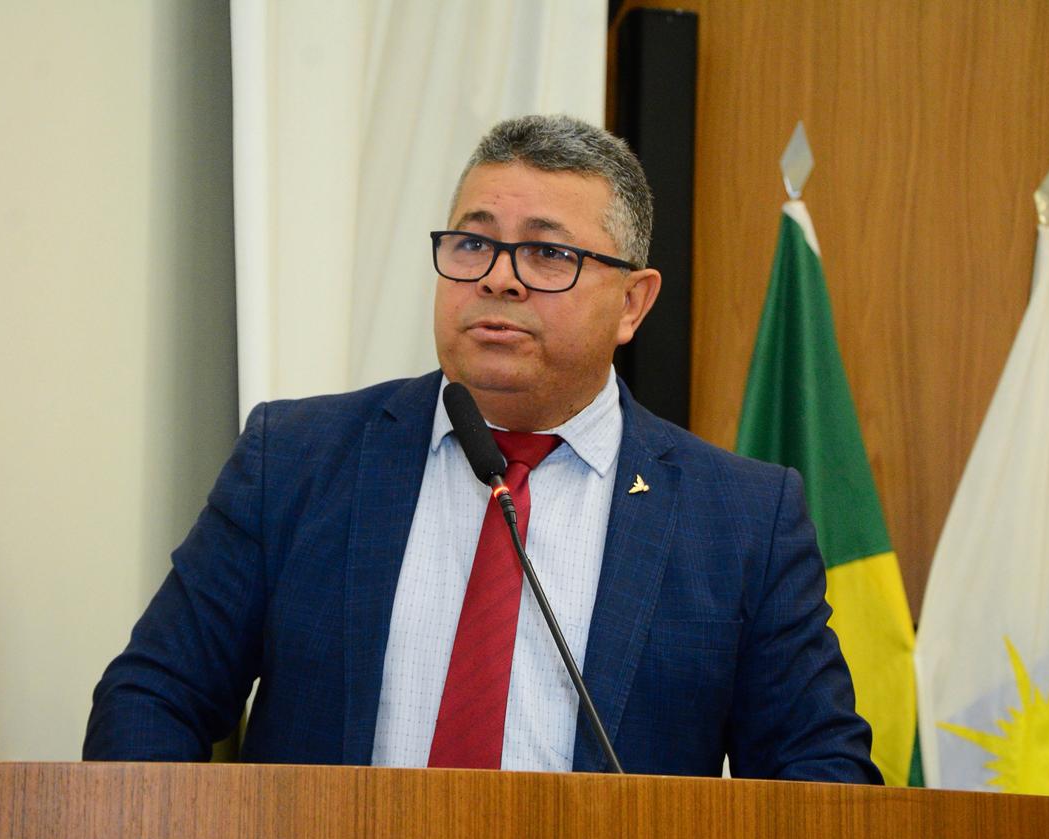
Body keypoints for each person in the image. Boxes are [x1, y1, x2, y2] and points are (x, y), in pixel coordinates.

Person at [83, 115, 881, 783]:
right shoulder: (294, 460)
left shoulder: (742, 519)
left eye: (548, 254)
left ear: (632, 304)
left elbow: (821, 774)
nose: (498, 279)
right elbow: (154, 697)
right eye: (472, 244)